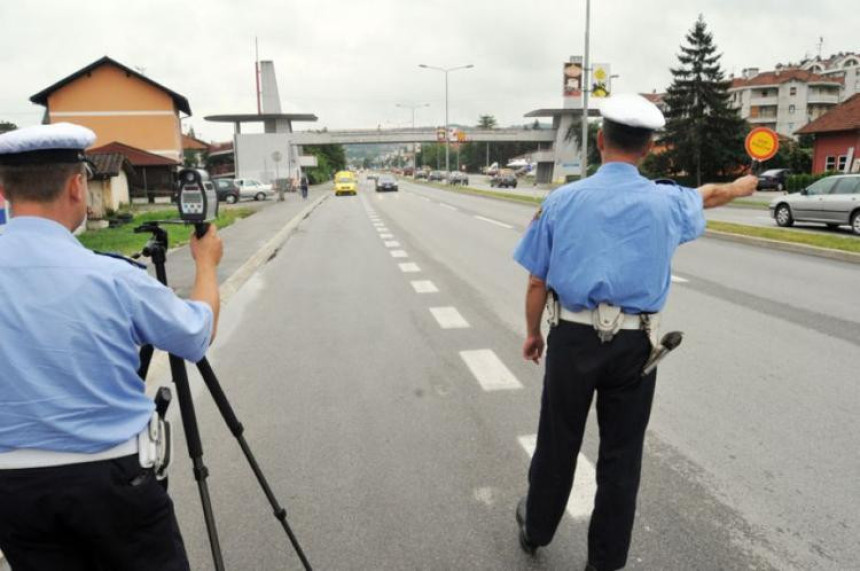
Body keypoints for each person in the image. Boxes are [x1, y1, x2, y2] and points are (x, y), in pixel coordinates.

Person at [512, 94, 758, 571]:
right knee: (622, 458)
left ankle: (535, 529)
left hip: (572, 338)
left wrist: (532, 333)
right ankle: (605, 564)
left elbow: (537, 280)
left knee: (558, 441)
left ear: (601, 141)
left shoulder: (561, 200)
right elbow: (707, 194)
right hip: (637, 345)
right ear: (648, 149)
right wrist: (743, 186)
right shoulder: (668, 201)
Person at [0, 123, 223, 571]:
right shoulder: (114, 277)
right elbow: (195, 335)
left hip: (13, 490)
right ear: (77, 185)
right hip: (113, 479)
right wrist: (206, 265)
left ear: (4, 190)